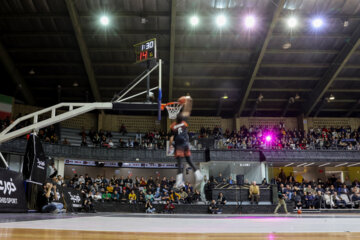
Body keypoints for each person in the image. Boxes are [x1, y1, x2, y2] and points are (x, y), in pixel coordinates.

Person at [169, 96, 203, 190]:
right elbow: (188, 111)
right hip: (186, 144)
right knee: (189, 161)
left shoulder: (173, 126)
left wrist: (170, 146)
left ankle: (179, 182)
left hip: (179, 145)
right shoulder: (184, 122)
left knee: (179, 164)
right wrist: (189, 101)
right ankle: (198, 175)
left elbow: (171, 138)